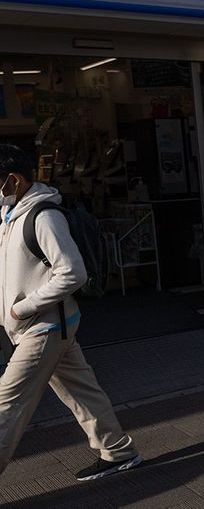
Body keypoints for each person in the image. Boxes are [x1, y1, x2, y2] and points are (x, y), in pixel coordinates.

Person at [0, 145, 142, 480]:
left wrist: (20, 309)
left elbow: (72, 272)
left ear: (13, 180)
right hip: (50, 325)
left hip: (45, 327)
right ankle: (119, 451)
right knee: (82, 391)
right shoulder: (10, 216)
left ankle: (118, 451)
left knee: (6, 403)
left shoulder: (43, 217)